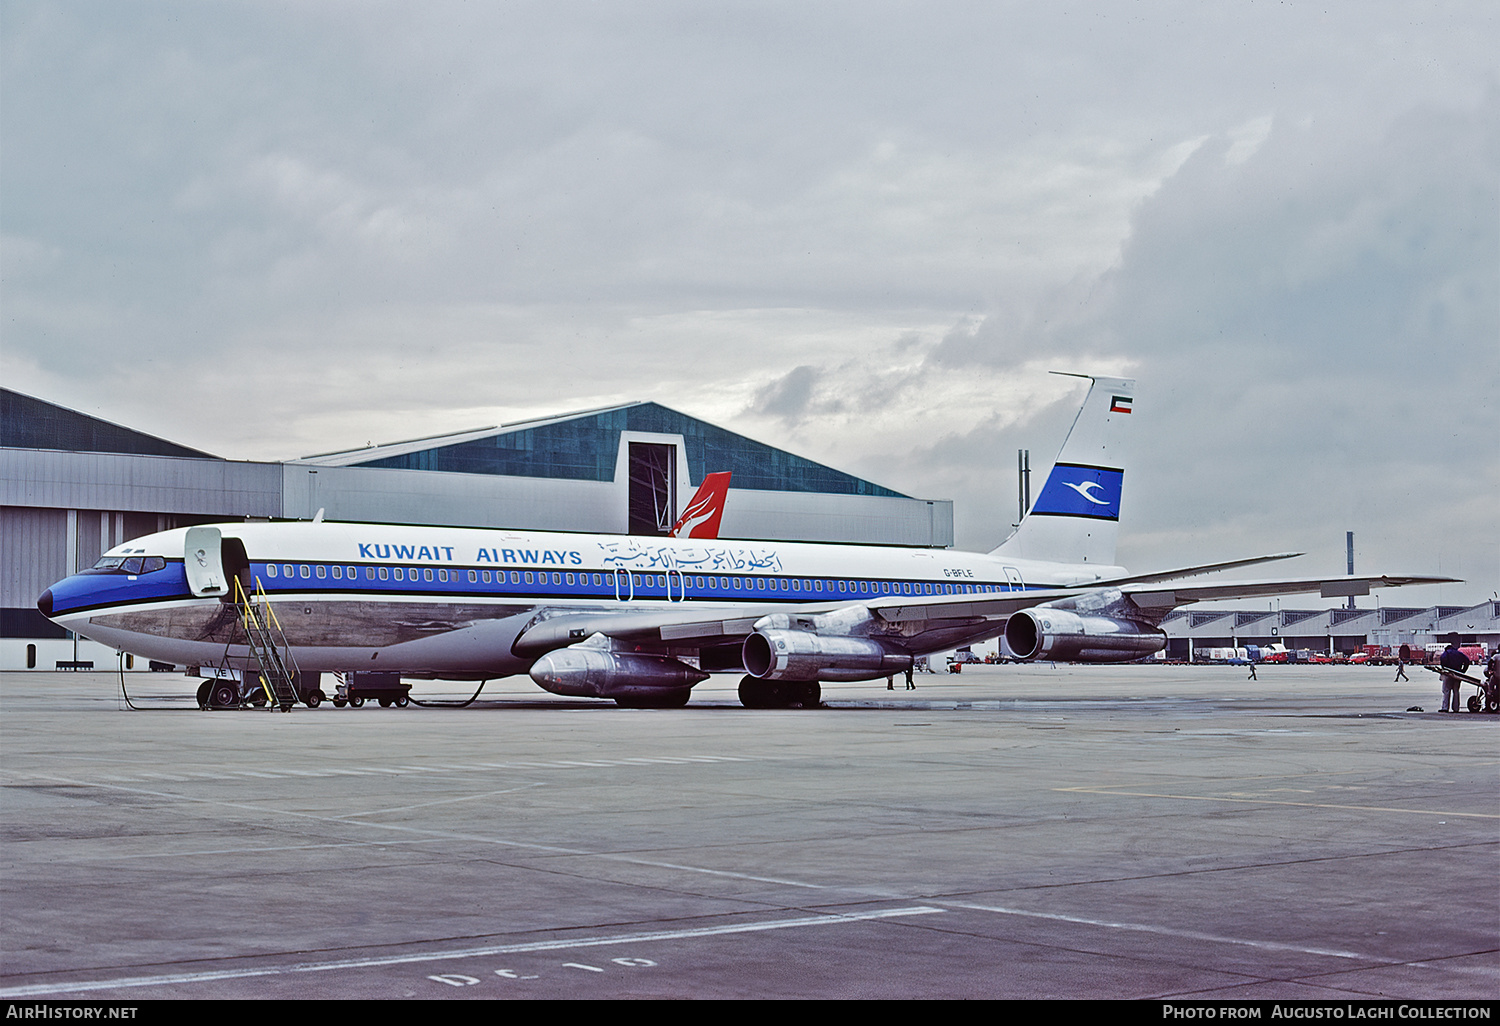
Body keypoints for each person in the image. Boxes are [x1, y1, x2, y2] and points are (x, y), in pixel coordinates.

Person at [1438, 637, 1470, 713]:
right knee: (1456, 691)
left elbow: (1443, 659)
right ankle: (1456, 708)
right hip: (1458, 673)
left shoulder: (1446, 653)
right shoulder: (1459, 653)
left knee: (1446, 690)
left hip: (1449, 673)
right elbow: (1467, 661)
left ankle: (1445, 708)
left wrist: (1444, 668)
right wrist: (1463, 671)